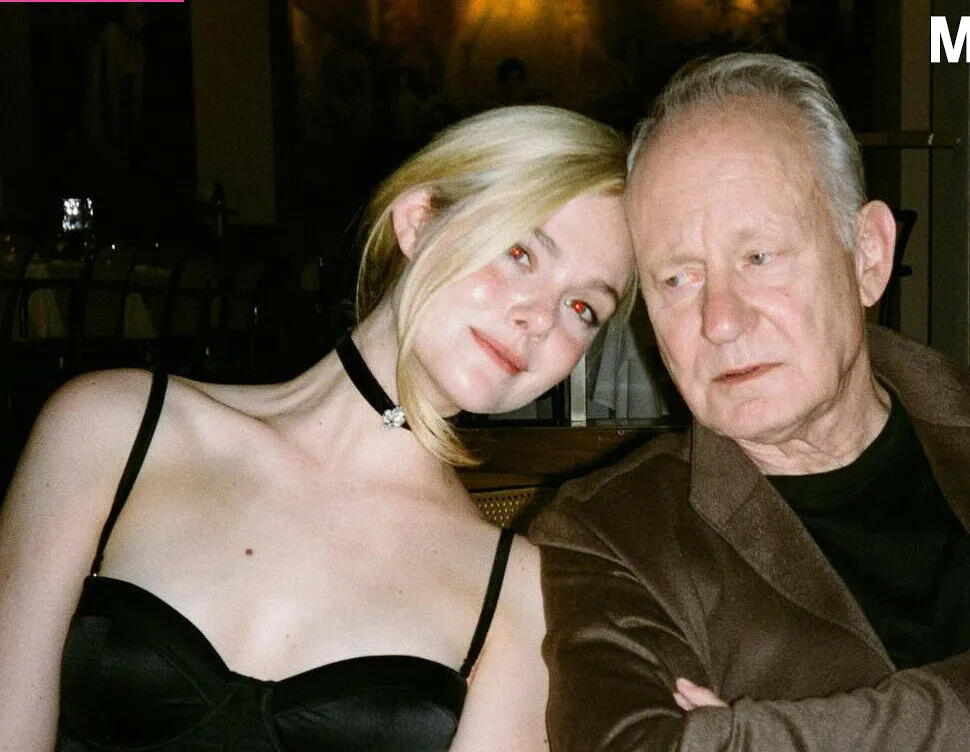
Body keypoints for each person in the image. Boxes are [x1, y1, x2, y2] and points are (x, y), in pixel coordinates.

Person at [530, 53, 970, 751]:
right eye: (678, 278)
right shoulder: (613, 535)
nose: (720, 320)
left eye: (759, 257)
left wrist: (762, 736)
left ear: (868, 254)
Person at [0, 104, 635, 751]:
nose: (540, 318)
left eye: (583, 307)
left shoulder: (519, 593)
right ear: (418, 220)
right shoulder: (111, 428)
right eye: (520, 253)